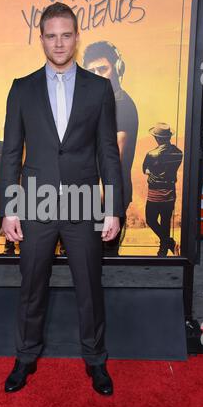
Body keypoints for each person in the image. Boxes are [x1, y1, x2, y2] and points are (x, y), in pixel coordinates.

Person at [0, 2, 124, 396]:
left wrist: (114, 208)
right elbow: (11, 153)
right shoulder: (21, 88)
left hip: (84, 202)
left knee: (90, 286)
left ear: (75, 36)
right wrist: (9, 207)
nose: (58, 43)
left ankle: (96, 361)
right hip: (35, 202)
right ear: (41, 39)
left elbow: (107, 151)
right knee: (32, 285)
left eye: (65, 35)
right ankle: (25, 357)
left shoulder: (99, 89)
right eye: (51, 35)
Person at [83, 41, 138, 256]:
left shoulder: (122, 105)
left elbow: (113, 159)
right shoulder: (104, 102)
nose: (97, 75)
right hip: (95, 197)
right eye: (92, 71)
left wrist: (106, 209)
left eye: (102, 69)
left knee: (102, 260)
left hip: (107, 198)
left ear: (117, 68)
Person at [143, 123, 183, 256]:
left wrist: (150, 171)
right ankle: (164, 248)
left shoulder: (151, 154)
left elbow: (145, 169)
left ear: (157, 138)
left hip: (154, 193)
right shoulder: (178, 153)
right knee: (165, 221)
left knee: (150, 220)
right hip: (170, 192)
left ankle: (168, 244)